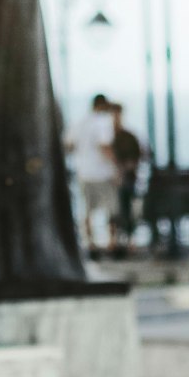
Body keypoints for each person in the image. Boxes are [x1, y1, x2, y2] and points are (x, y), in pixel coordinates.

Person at [64, 94, 117, 256]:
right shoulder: (103, 121)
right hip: (102, 173)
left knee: (87, 211)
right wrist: (116, 167)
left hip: (83, 172)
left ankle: (91, 244)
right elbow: (105, 147)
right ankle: (111, 244)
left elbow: (68, 145)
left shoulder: (79, 123)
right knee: (112, 210)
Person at [111, 104, 142, 253]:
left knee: (126, 209)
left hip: (127, 179)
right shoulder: (107, 136)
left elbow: (138, 155)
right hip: (112, 179)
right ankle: (115, 241)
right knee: (114, 211)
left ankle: (128, 240)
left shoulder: (128, 136)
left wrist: (126, 168)